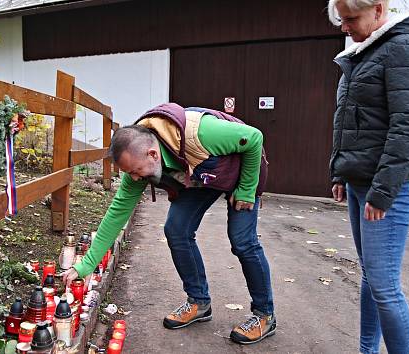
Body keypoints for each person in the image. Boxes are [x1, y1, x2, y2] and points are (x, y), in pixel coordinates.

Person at [62, 103, 275, 345]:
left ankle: (264, 315)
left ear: (152, 154)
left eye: (135, 171)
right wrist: (85, 266)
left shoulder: (202, 133)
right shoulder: (138, 162)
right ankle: (199, 302)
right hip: (202, 175)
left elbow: (254, 137)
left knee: (242, 241)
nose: (134, 178)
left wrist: (247, 189)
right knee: (176, 230)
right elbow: (116, 214)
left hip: (240, 169)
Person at [327, 1, 409, 353]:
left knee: (384, 286)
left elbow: (407, 126)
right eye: (341, 20)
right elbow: (350, 121)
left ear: (377, 9)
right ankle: (366, 350)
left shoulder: (403, 46)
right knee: (371, 278)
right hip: (361, 182)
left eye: (350, 19)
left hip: (388, 185)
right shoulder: (365, 51)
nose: (344, 27)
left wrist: (383, 190)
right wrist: (341, 171)